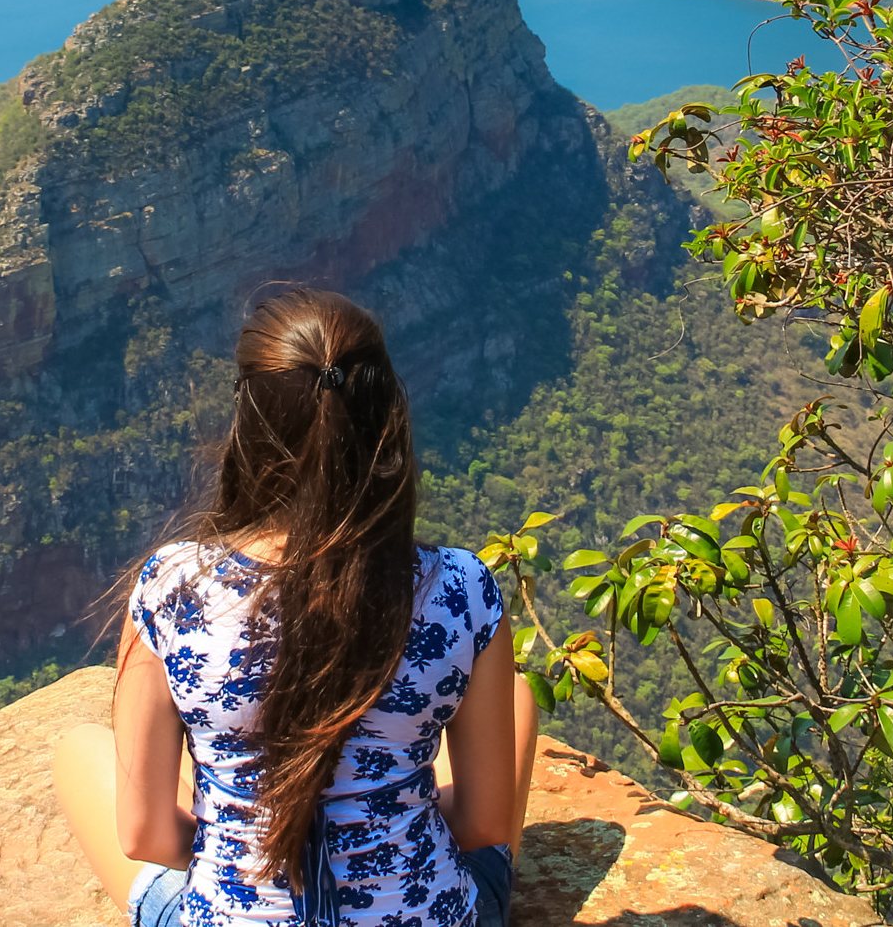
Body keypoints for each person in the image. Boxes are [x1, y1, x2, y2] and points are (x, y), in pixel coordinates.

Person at [53, 288, 540, 927]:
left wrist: (252, 847)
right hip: (429, 913)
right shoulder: (461, 588)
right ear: (385, 416)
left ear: (248, 423)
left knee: (78, 748)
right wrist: (383, 830)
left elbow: (144, 838)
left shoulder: (171, 587)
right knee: (519, 695)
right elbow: (483, 823)